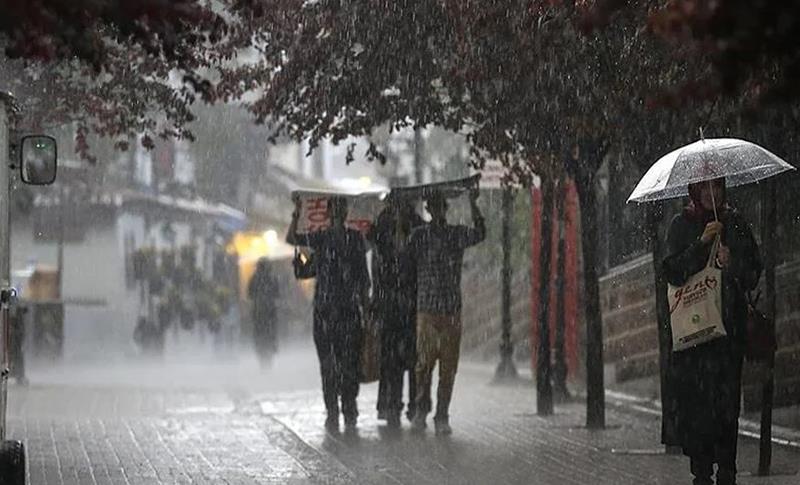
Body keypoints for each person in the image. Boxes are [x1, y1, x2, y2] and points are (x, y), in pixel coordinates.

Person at [662, 177, 761, 485]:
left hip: (727, 337)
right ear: (695, 191)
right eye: (704, 188)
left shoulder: (735, 223)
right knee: (698, 409)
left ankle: (727, 471)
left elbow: (753, 272)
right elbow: (672, 272)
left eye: (716, 187)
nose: (711, 193)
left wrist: (732, 264)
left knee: (727, 406)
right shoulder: (682, 224)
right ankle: (701, 473)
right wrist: (701, 245)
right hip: (694, 339)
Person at [287, 196, 370, 432]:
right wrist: (297, 212)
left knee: (349, 363)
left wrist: (366, 307)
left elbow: (363, 279)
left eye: (341, 209)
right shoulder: (321, 239)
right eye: (335, 209)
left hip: (347, 311)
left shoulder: (354, 240)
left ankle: (348, 407)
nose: (339, 213)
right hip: (326, 313)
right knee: (329, 365)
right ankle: (333, 409)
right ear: (330, 213)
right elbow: (295, 240)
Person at [409, 189, 486, 435]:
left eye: (441, 206)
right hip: (427, 310)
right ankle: (422, 408)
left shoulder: (456, 234)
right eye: (433, 207)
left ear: (445, 209)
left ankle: (442, 414)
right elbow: (402, 252)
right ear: (429, 210)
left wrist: (474, 204)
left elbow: (480, 233)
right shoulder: (419, 236)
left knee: (448, 368)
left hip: (450, 309)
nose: (438, 211)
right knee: (424, 365)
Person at [368, 195, 424, 428]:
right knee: (392, 358)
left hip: (409, 303)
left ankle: (411, 405)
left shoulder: (415, 225)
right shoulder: (384, 224)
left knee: (410, 359)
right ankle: (393, 404)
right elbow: (377, 254)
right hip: (391, 303)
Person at [248, 258, 280, 367]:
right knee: (270, 334)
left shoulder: (254, 279)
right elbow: (277, 294)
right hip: (270, 312)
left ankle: (262, 356)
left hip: (258, 312)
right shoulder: (272, 278)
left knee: (260, 335)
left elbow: (250, 295)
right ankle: (269, 354)